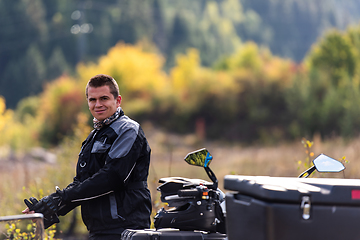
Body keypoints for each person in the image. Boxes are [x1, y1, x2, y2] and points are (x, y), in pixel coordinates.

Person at [23, 74, 152, 240]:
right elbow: (82, 183)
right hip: (98, 230)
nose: (97, 104)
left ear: (118, 100)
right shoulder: (93, 137)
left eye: (104, 98)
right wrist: (52, 205)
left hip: (126, 229)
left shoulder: (128, 130)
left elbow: (112, 177)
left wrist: (61, 197)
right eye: (92, 100)